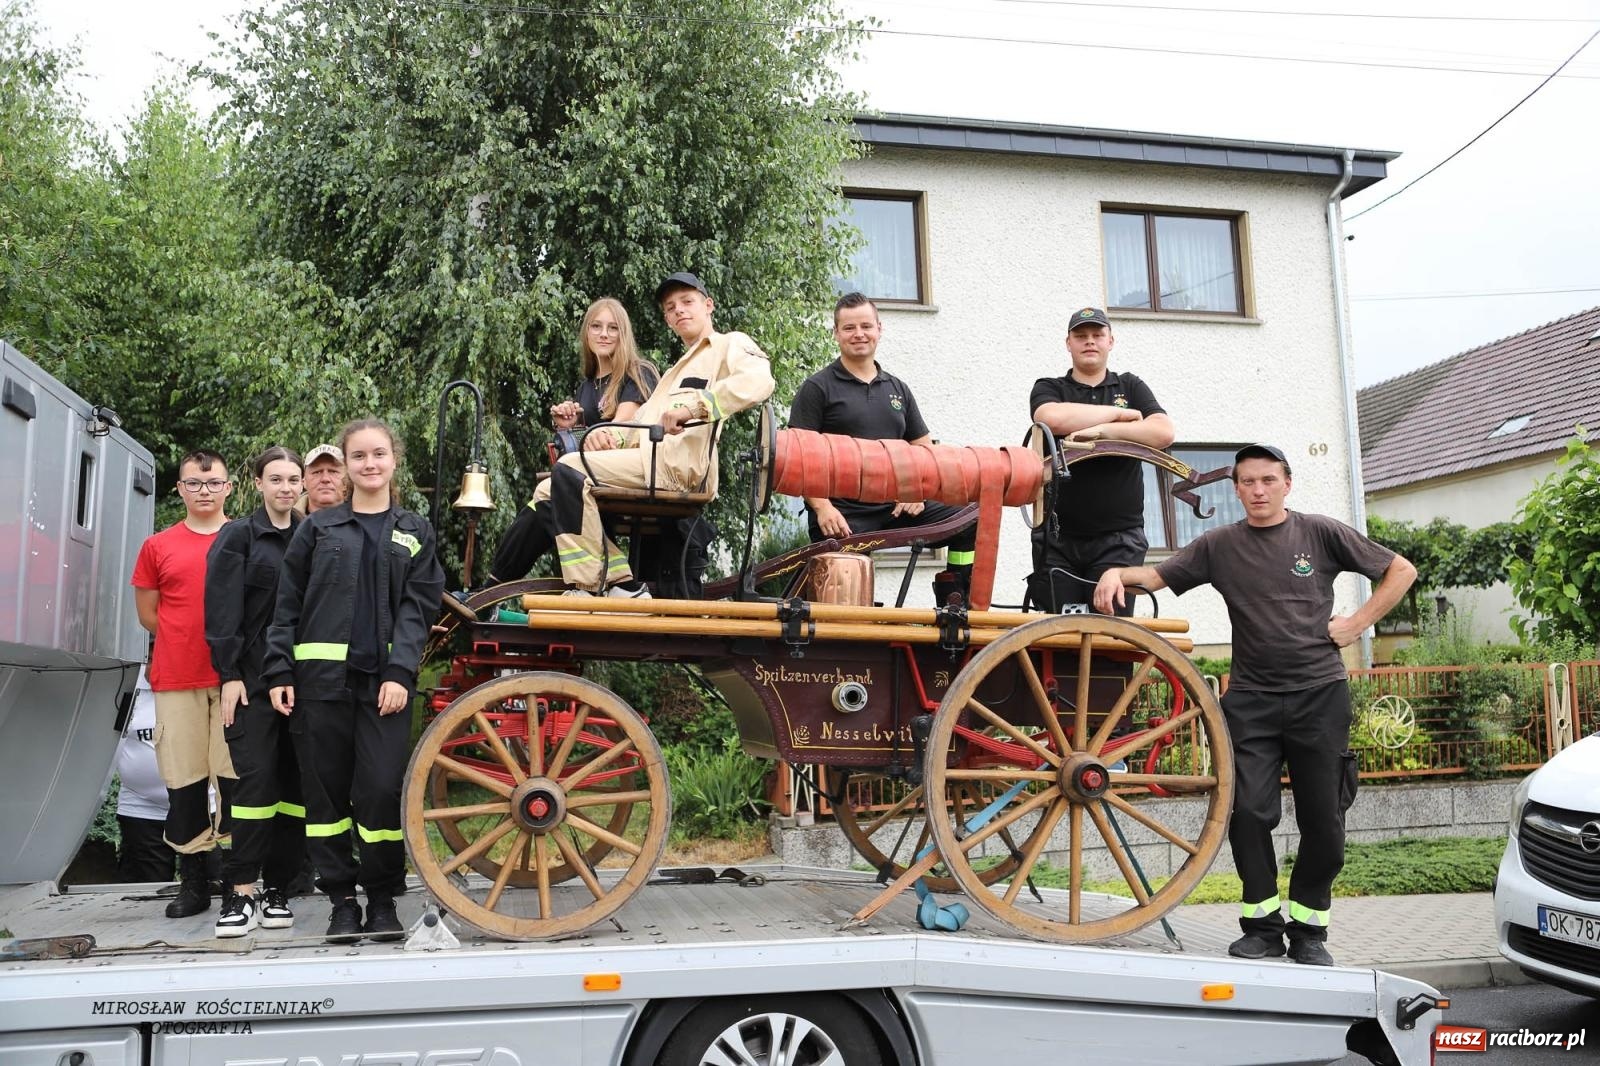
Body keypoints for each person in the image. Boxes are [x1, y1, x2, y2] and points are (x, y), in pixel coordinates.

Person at [1093, 444, 1417, 966]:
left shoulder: (1321, 532)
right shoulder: (1219, 545)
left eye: (1268, 480)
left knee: (1325, 824)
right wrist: (1115, 573)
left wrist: (1356, 625)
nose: (1258, 490)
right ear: (1237, 488)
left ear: (1287, 483)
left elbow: (1400, 570)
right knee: (1246, 815)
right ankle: (1262, 928)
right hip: (1250, 701)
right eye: (1247, 482)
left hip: (1320, 696)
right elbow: (1154, 577)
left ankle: (1309, 932)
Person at [266, 419, 444, 942]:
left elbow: (419, 607)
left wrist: (400, 671)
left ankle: (384, 899)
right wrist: (279, 668)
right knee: (325, 800)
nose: (370, 464)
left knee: (380, 793)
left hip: (384, 688)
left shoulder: (415, 530)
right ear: (346, 465)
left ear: (394, 460)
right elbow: (286, 605)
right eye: (360, 455)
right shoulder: (316, 529)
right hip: (319, 685)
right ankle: (342, 902)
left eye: (379, 454)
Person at [487, 272, 774, 595]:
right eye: (671, 307)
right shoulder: (673, 372)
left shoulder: (728, 344)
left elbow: (759, 380)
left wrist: (694, 409)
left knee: (568, 468)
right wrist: (604, 437)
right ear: (666, 319)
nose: (679, 310)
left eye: (687, 302)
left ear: (708, 306)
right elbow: (638, 426)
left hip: (676, 470)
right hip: (649, 461)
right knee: (547, 490)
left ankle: (598, 581)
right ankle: (494, 588)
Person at [788, 291, 976, 601]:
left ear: (879, 329)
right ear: (836, 334)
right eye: (849, 328)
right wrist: (822, 508)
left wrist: (917, 488)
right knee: (843, 607)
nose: (859, 334)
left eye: (866, 326)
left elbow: (923, 449)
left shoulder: (898, 389)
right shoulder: (817, 388)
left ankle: (955, 602)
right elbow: (798, 458)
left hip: (895, 508)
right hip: (843, 515)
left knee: (970, 518)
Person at [204, 446, 306, 937]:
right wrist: (228, 674)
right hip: (252, 686)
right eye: (276, 479)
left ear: (302, 485)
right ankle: (240, 892)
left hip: (304, 688)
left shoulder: (313, 537)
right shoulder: (238, 537)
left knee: (292, 791)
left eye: (293, 479)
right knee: (255, 787)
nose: (285, 487)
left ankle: (277, 888)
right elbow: (221, 612)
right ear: (259, 484)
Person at [131, 450, 237, 918]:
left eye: (213, 483)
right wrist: (183, 639)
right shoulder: (158, 546)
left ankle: (240, 880)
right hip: (177, 678)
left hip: (234, 679)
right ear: (180, 489)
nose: (204, 492)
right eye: (194, 483)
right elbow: (149, 616)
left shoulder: (243, 538)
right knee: (185, 783)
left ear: (229, 487)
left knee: (236, 781)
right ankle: (193, 882)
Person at [1028, 307, 1173, 613]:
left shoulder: (1130, 385)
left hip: (1119, 540)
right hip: (1058, 539)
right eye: (1081, 336)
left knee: (1111, 639)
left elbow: (1162, 433)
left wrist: (1103, 429)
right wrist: (1122, 416)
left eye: (1097, 335)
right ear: (1068, 343)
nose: (1089, 341)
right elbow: (1050, 417)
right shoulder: (1050, 387)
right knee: (1058, 639)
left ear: (1111, 341)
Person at [549, 297, 660, 442]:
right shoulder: (585, 387)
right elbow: (582, 442)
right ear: (587, 332)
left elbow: (620, 430)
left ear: (623, 334)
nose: (604, 334)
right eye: (596, 326)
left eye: (613, 328)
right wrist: (568, 426)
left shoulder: (638, 373)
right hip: (591, 461)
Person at [114, 665, 176, 884]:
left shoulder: (194, 682)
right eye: (148, 658)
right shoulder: (125, 685)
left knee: (212, 886)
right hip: (141, 806)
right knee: (144, 890)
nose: (154, 663)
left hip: (202, 804)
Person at [297, 443, 347, 516]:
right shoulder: (287, 521)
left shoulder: (365, 521)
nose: (325, 479)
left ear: (348, 479)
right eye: (317, 472)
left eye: (333, 471)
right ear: (304, 482)